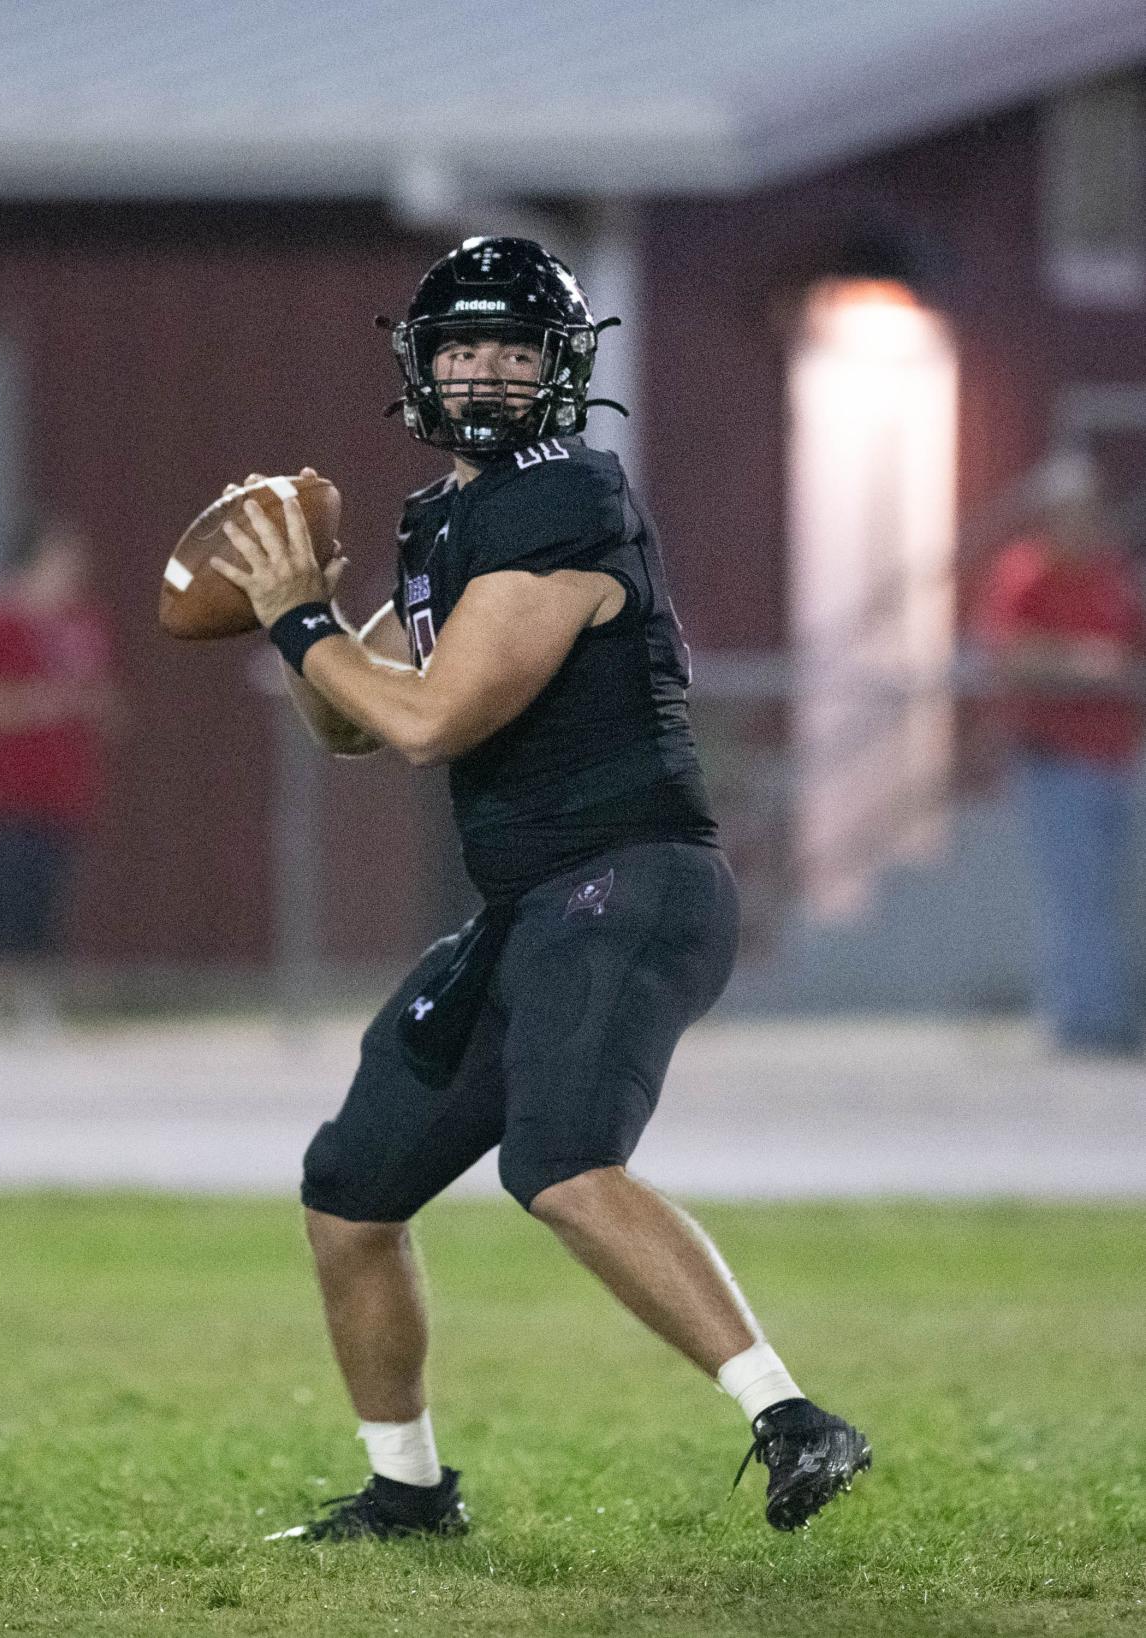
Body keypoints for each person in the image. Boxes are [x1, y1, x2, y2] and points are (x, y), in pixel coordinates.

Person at [213, 237, 871, 1541]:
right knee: (349, 1192)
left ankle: (791, 1416)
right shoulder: (440, 516)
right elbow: (351, 724)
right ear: (420, 362)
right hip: (531, 903)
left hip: (628, 877)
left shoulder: (560, 496)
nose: (485, 371)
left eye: (514, 349)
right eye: (461, 346)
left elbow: (432, 719)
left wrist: (299, 628)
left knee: (562, 1163)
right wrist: (313, 618)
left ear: (558, 371)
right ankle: (406, 1489)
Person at [975, 452, 1145, 1054]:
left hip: (1112, 756)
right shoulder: (1027, 572)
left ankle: (1105, 1014)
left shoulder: (1107, 576)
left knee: (1110, 894)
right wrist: (1079, 661)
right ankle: (1080, 1021)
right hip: (1054, 757)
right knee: (1074, 893)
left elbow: (1131, 651)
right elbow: (1006, 650)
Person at [0, 521, 117, 1042]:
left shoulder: (84, 622)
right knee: (1, 895)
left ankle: (34, 1001)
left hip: (65, 786)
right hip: (6, 787)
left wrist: (91, 706)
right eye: (61, 558)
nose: (72, 570)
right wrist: (32, 704)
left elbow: (100, 692)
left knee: (47, 898)